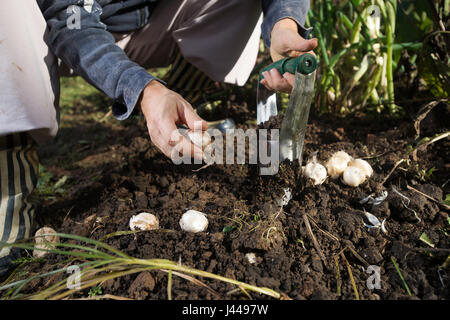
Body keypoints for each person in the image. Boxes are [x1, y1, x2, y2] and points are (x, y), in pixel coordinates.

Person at [0, 0, 317, 276]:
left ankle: (172, 123)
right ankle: (7, 205)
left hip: (140, 25)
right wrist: (140, 87)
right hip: (52, 33)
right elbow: (72, 20)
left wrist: (284, 22)